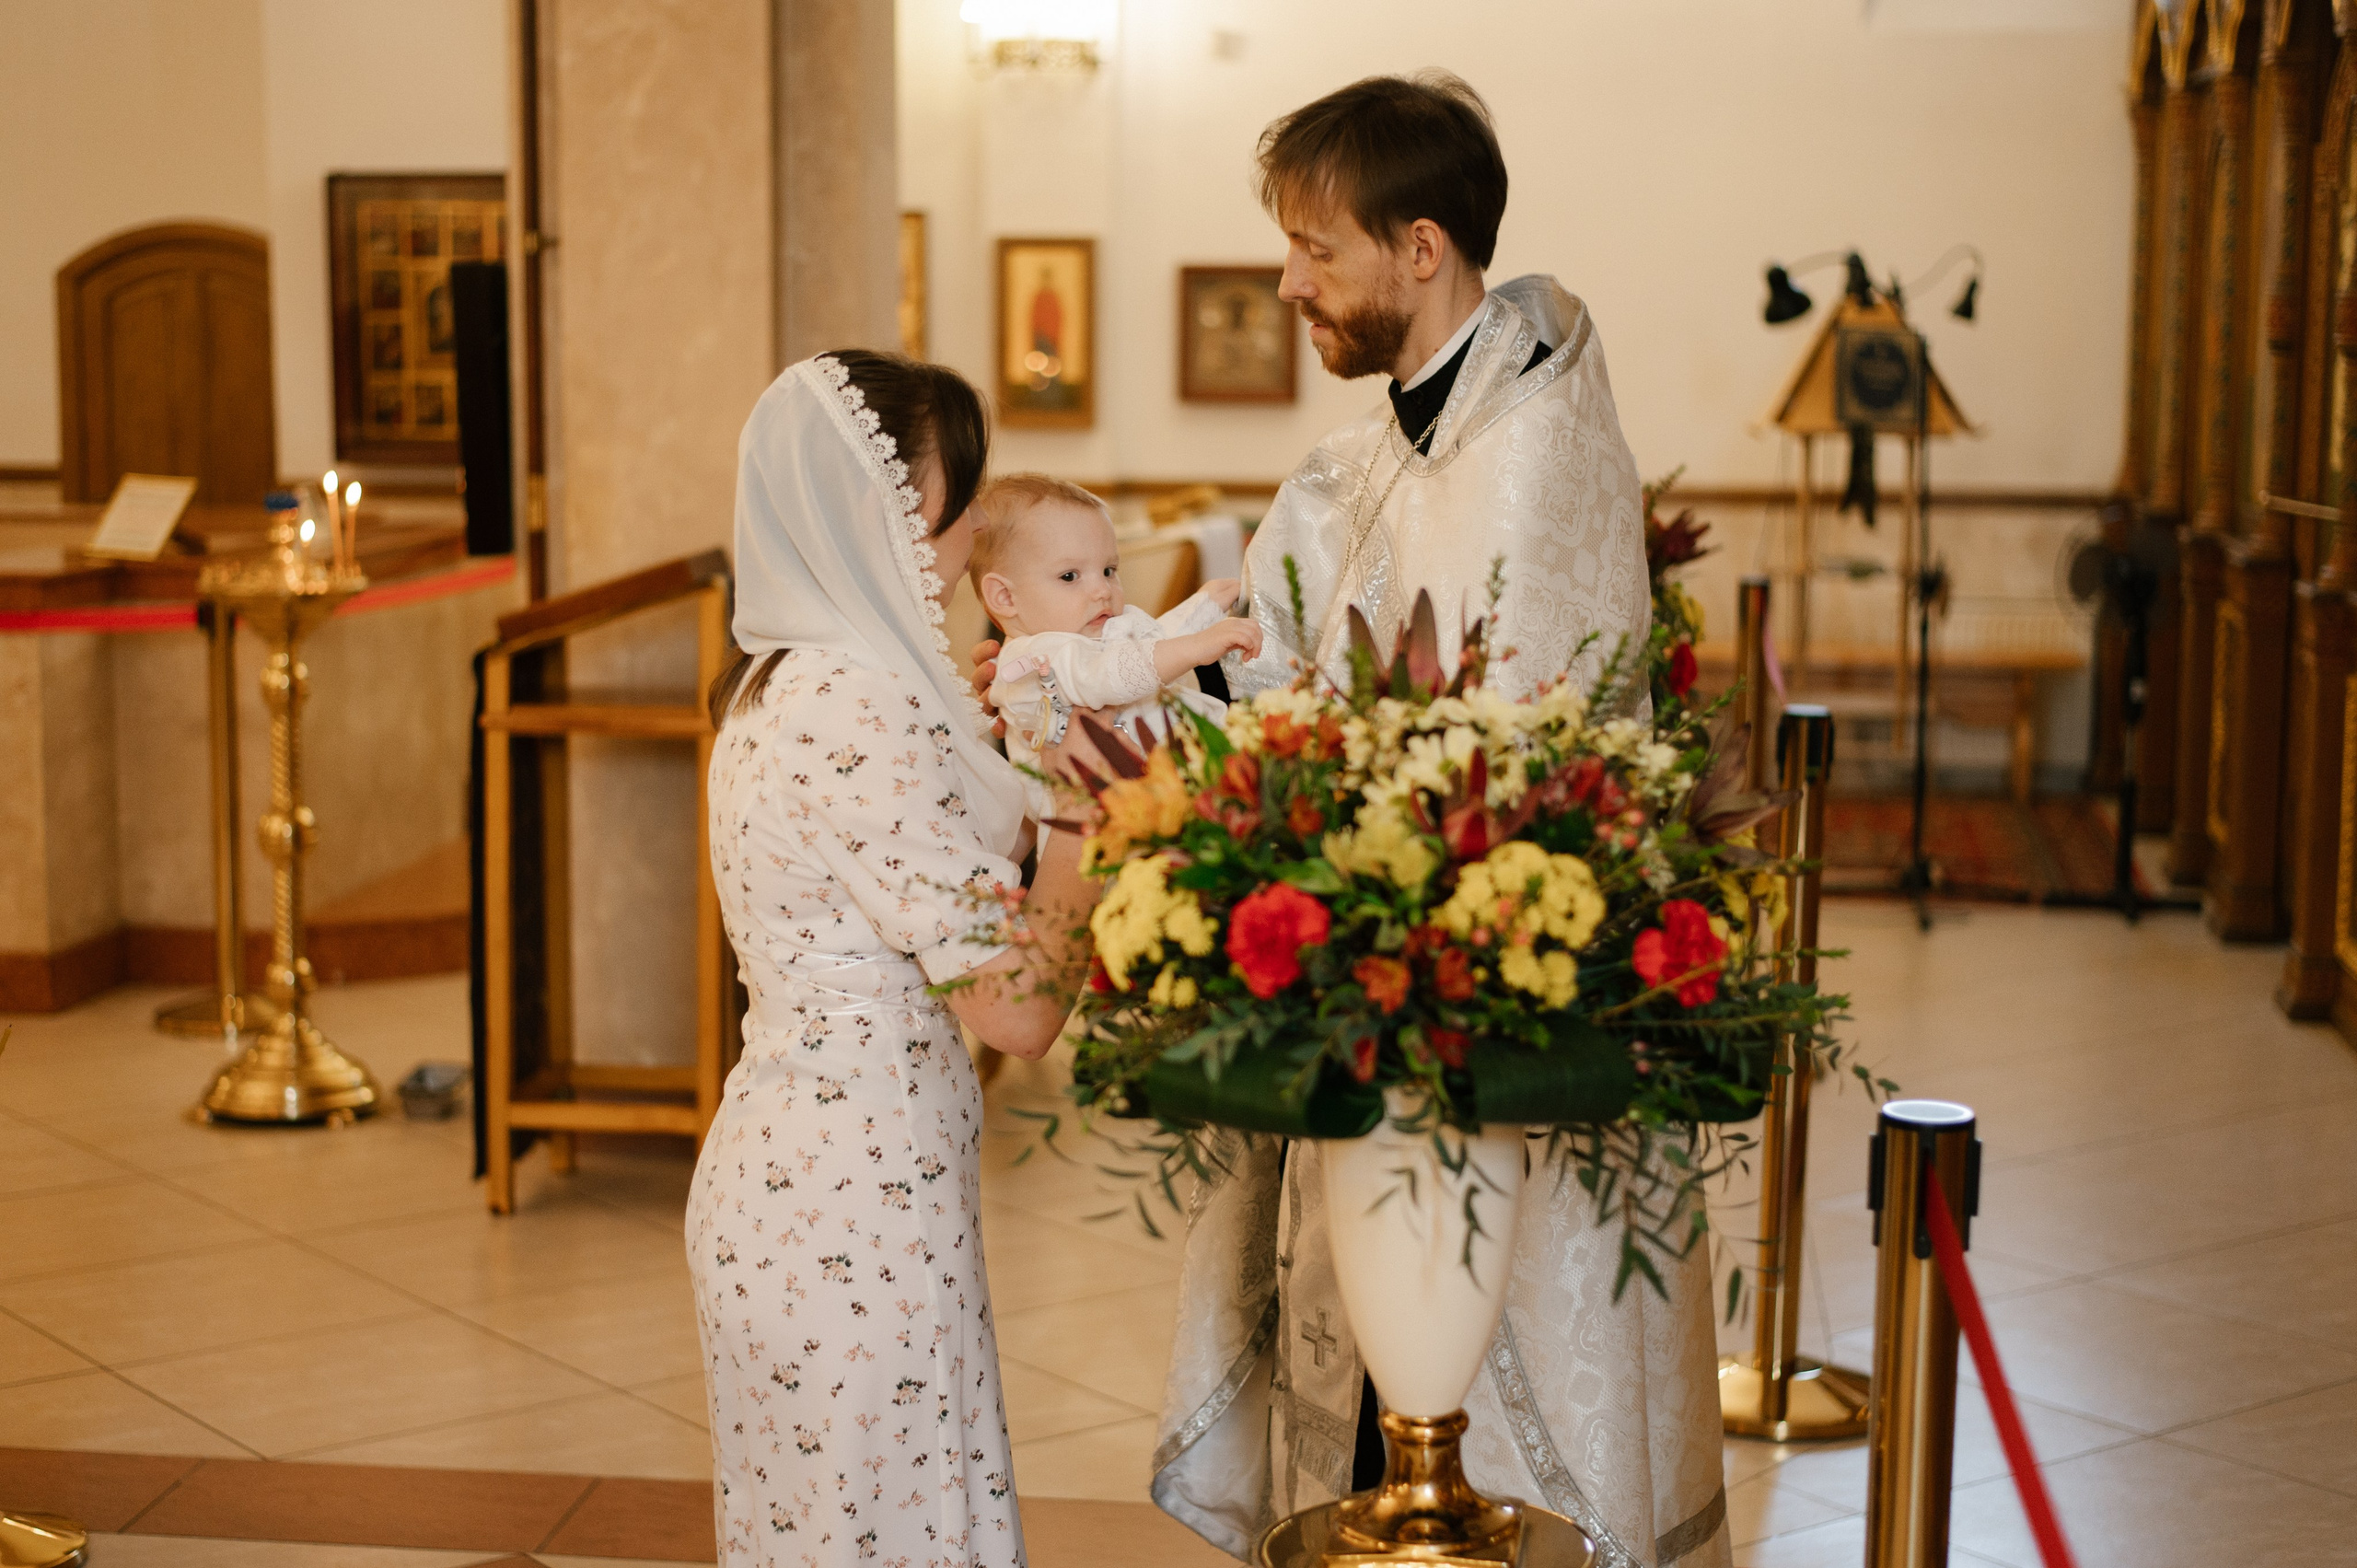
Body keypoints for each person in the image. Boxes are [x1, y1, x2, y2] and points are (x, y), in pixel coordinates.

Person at [1153, 75, 1731, 1568]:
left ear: (1423, 248)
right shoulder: (1366, 458)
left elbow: (1499, 760)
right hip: (1373, 1011)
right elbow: (1287, 677)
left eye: (1313, 250)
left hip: (1485, 1046)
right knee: (1367, 1436)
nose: (1288, 282)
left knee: (1464, 1440)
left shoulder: (1536, 457)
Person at [688, 350, 1114, 1568]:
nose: (975, 524)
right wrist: (1092, 810)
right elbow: (1017, 1011)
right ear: (874, 510)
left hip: (831, 1172)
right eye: (958, 494)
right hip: (844, 1204)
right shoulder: (849, 699)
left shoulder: (789, 679)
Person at [970, 472, 1261, 817]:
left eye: (1109, 570)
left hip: (1172, 795)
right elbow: (1115, 673)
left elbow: (1151, 642)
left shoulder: (1092, 633)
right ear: (1004, 597)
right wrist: (1199, 645)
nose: (1102, 590)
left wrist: (1204, 606)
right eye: (1070, 576)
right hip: (1104, 831)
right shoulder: (1034, 657)